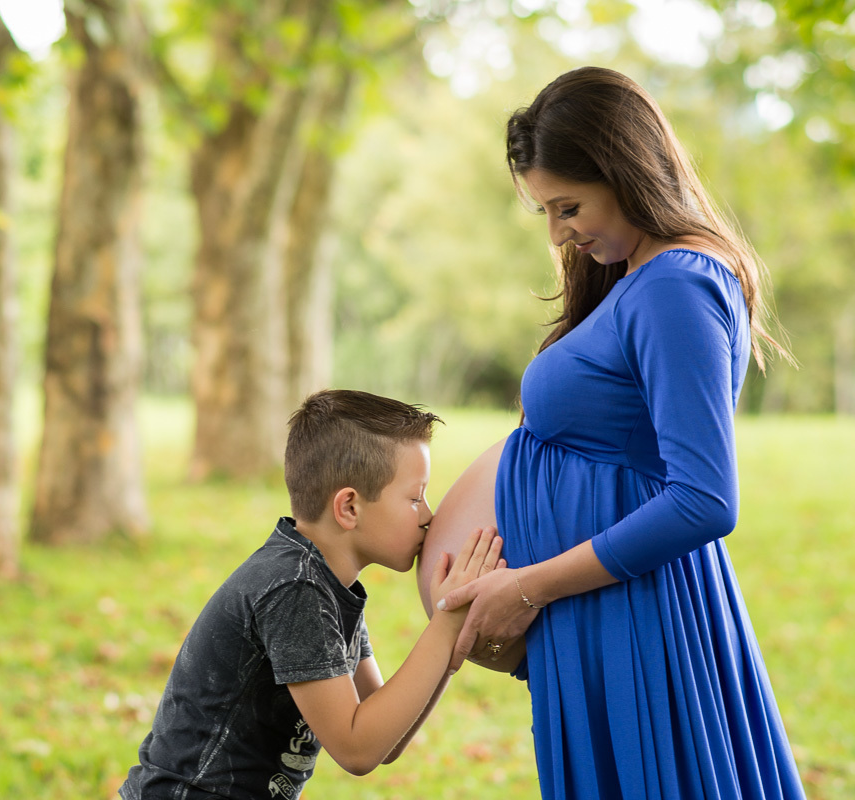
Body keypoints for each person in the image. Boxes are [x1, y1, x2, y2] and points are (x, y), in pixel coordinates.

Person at [422, 66, 807, 798]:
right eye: (546, 211)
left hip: (631, 616)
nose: (558, 232)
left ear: (623, 170)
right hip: (605, 609)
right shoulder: (643, 279)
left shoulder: (674, 285)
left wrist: (527, 588)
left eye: (568, 206)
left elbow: (703, 500)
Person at [120, 389, 504, 799]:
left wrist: (452, 645)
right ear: (349, 508)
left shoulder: (327, 583)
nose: (428, 516)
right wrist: (444, 624)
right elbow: (358, 749)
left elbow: (386, 739)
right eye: (415, 497)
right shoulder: (294, 588)